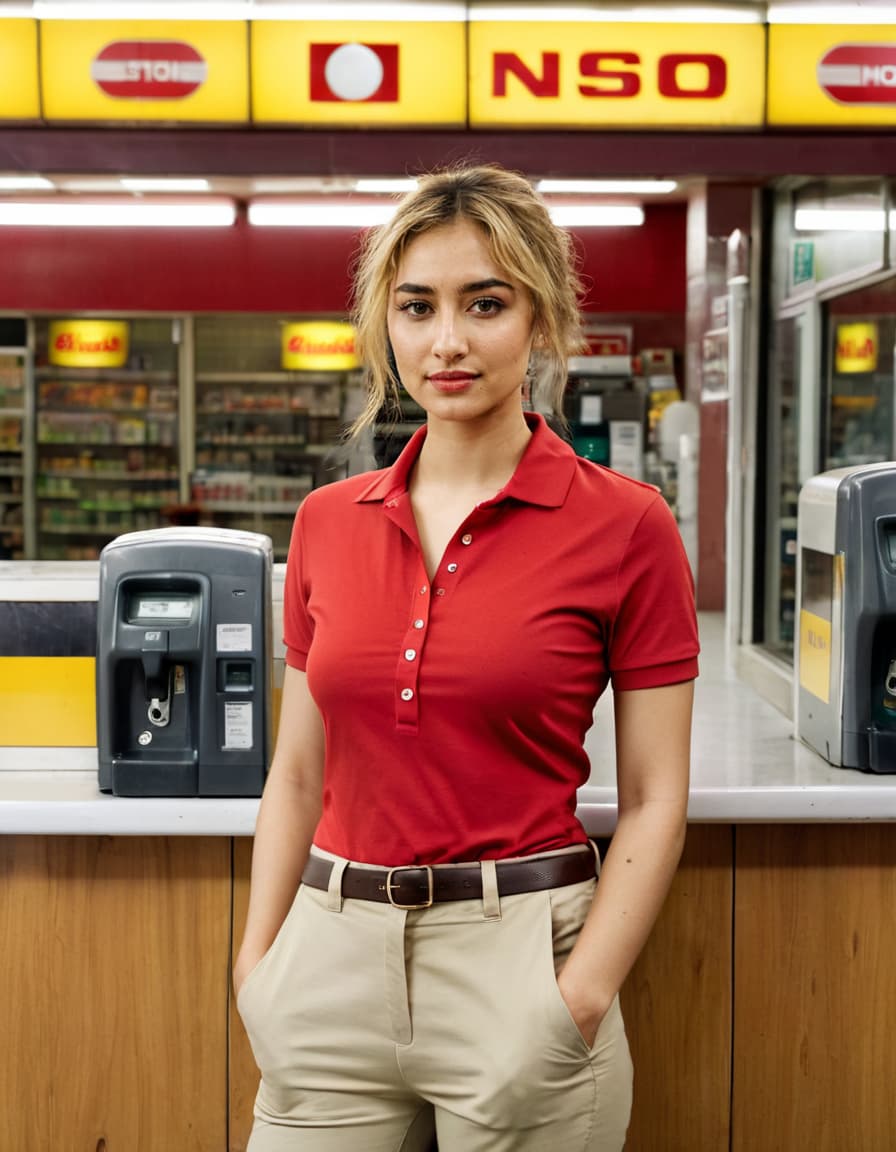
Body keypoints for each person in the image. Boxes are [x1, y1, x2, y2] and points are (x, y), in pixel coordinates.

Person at [234, 163, 699, 1152]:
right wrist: (258, 968)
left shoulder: (627, 526)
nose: (446, 340)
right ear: (384, 326)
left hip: (520, 964)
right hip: (327, 967)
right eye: (416, 306)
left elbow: (657, 798)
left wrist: (578, 995)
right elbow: (298, 772)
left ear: (538, 319)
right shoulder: (324, 523)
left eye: (483, 303)